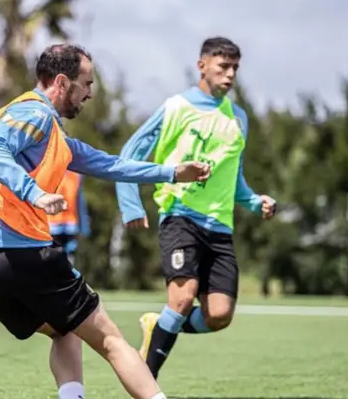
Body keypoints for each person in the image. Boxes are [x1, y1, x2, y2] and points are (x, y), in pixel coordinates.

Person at [0, 43, 212, 399]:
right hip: (22, 254)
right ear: (61, 82)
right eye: (86, 83)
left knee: (64, 329)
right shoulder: (35, 113)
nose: (90, 93)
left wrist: (173, 172)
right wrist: (34, 193)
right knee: (112, 340)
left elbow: (111, 165)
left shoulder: (47, 134)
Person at [115, 37, 277, 379]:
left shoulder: (238, 118)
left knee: (219, 315)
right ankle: (145, 381)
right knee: (182, 297)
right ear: (202, 66)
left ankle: (158, 325)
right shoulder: (176, 107)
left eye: (235, 68)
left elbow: (233, 176)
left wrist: (253, 201)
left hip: (220, 226)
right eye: (223, 66)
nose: (230, 75)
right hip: (180, 216)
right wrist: (131, 204)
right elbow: (130, 153)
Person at [49, 170, 91, 265]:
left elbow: (79, 202)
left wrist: (84, 228)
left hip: (69, 225)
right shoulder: (48, 170)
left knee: (68, 258)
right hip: (52, 226)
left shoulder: (76, 175)